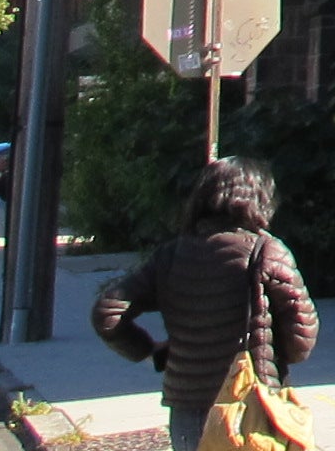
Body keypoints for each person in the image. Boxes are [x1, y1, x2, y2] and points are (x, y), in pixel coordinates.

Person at [91, 158, 319, 451]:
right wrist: (274, 356)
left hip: (188, 406)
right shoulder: (266, 251)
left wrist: (150, 352)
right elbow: (302, 336)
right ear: (260, 199)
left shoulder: (171, 255)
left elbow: (106, 313)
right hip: (250, 403)